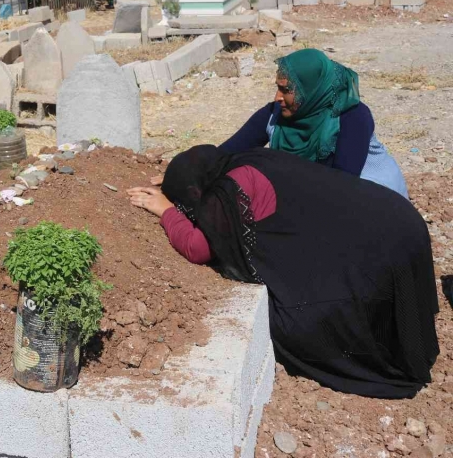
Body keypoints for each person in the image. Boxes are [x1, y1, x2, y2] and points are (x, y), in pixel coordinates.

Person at [129, 145, 439, 398]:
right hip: (400, 222)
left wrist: (167, 210)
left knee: (295, 325)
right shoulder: (247, 159)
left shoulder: (227, 192)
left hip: (385, 246)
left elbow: (198, 247)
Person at [219, 48, 409, 198]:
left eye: (286, 90)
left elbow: (343, 184)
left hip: (377, 201)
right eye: (278, 88)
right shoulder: (275, 115)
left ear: (311, 89)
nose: (278, 97)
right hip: (322, 197)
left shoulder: (351, 115)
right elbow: (225, 154)